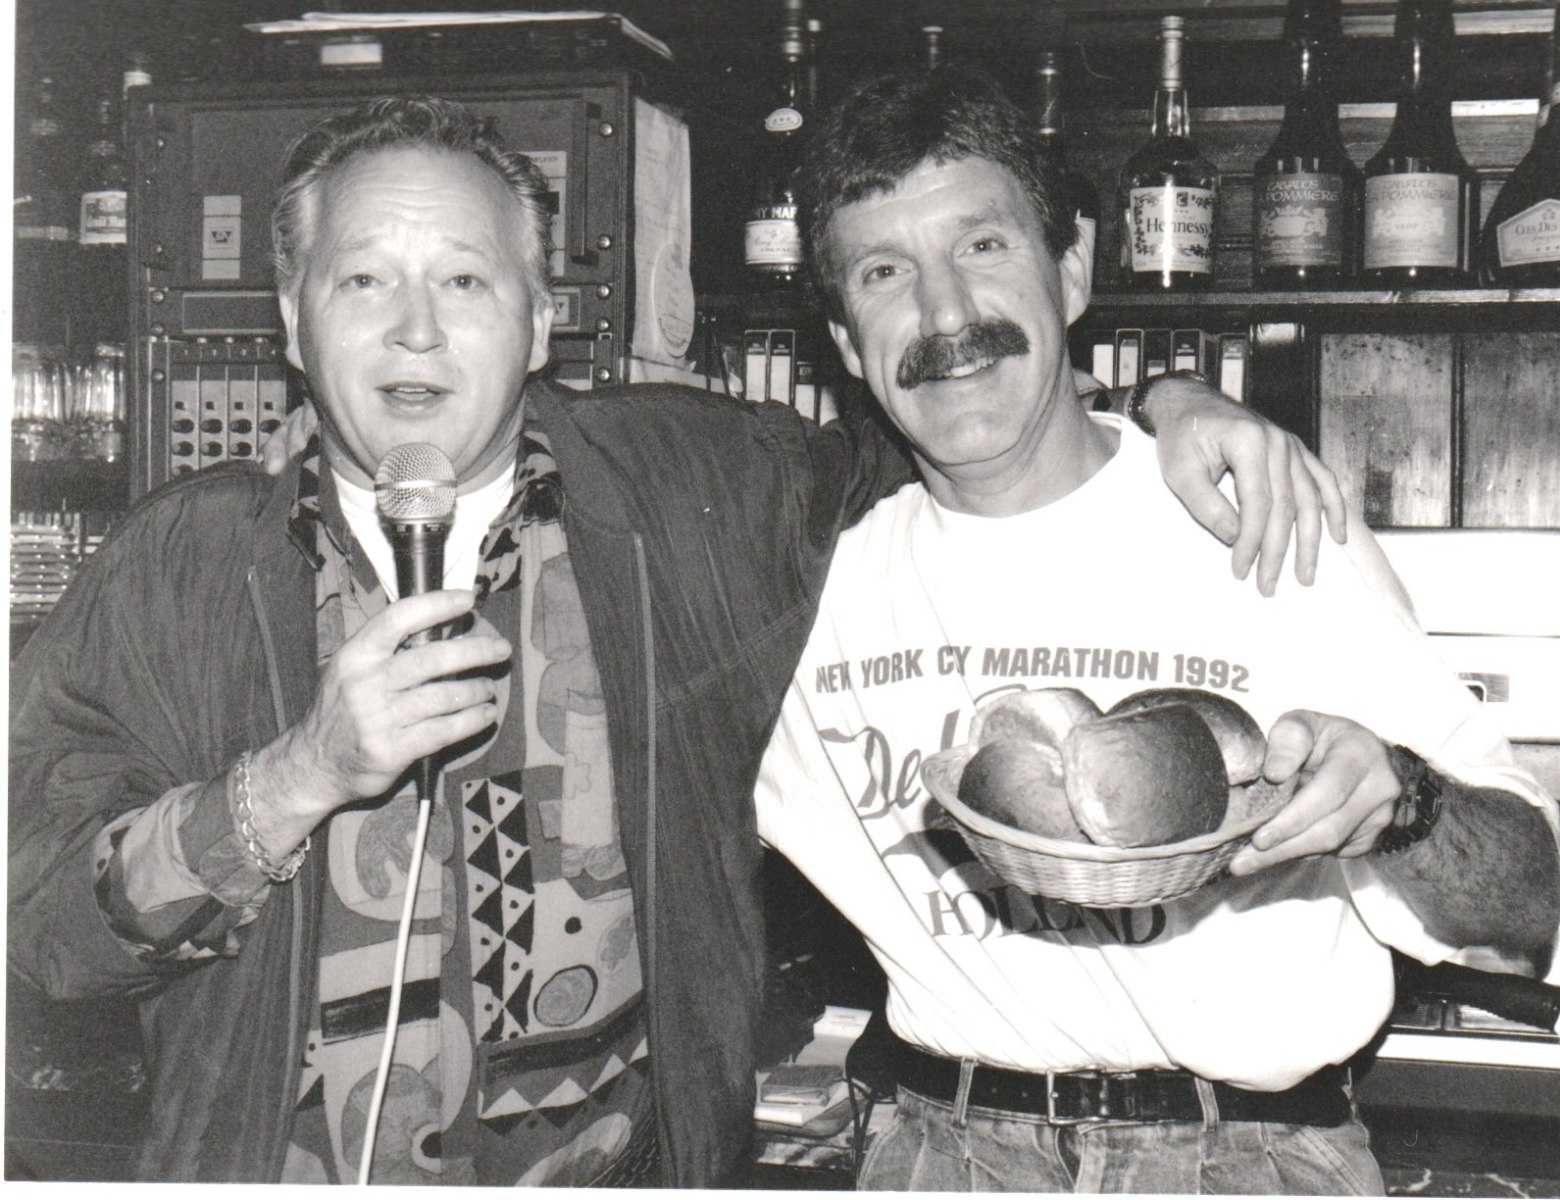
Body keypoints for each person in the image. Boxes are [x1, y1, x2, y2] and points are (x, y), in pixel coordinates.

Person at [8, 96, 1336, 1187]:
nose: (415, 328)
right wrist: (291, 780)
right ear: (293, 321)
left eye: (465, 280)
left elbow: (951, 419)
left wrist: (1160, 403)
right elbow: (39, 932)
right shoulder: (178, 567)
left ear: (540, 320)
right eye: (363, 280)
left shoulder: (689, 494)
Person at [754, 64, 1560, 1195]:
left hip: (1252, 1160)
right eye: (884, 273)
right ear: (845, 342)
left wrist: (1404, 803)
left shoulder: (1259, 517)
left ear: (1071, 269)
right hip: (943, 1156)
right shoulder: (803, 583)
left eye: (982, 246)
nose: (943, 315)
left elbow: (1524, 907)